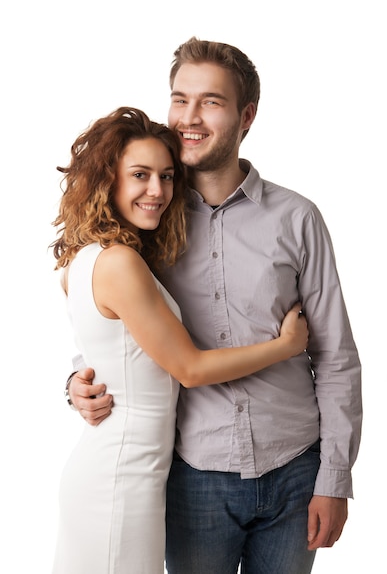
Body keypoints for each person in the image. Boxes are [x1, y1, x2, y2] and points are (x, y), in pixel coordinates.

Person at [67, 38, 363, 574]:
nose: (189, 117)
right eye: (180, 99)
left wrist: (334, 479)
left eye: (211, 102)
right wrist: (75, 382)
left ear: (247, 115)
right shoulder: (148, 216)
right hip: (193, 477)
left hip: (296, 469)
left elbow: (337, 357)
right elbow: (113, 326)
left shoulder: (298, 219)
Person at [50, 105, 309, 574]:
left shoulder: (88, 259)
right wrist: (285, 346)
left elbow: (112, 353)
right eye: (140, 175)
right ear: (106, 179)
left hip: (128, 472)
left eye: (168, 176)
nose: (158, 191)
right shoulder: (120, 264)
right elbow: (188, 368)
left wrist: (75, 384)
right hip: (121, 480)